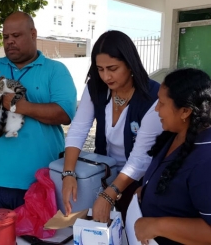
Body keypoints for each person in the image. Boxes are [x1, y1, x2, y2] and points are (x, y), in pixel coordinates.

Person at [0, 11, 77, 211]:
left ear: (33, 34)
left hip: (39, 180)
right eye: (5, 37)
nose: (9, 41)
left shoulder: (55, 70)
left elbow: (65, 113)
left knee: (37, 241)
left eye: (16, 36)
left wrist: (20, 106)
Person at [62, 30, 163, 222]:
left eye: (112, 68)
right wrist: (68, 173)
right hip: (104, 173)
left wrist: (110, 194)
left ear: (130, 64)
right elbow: (78, 130)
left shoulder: (152, 97)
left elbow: (140, 158)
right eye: (100, 69)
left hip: (139, 181)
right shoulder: (96, 88)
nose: (106, 76)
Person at [134, 68, 211, 245]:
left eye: (161, 103)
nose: (156, 109)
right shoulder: (174, 134)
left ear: (185, 111)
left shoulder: (205, 159)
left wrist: (158, 226)